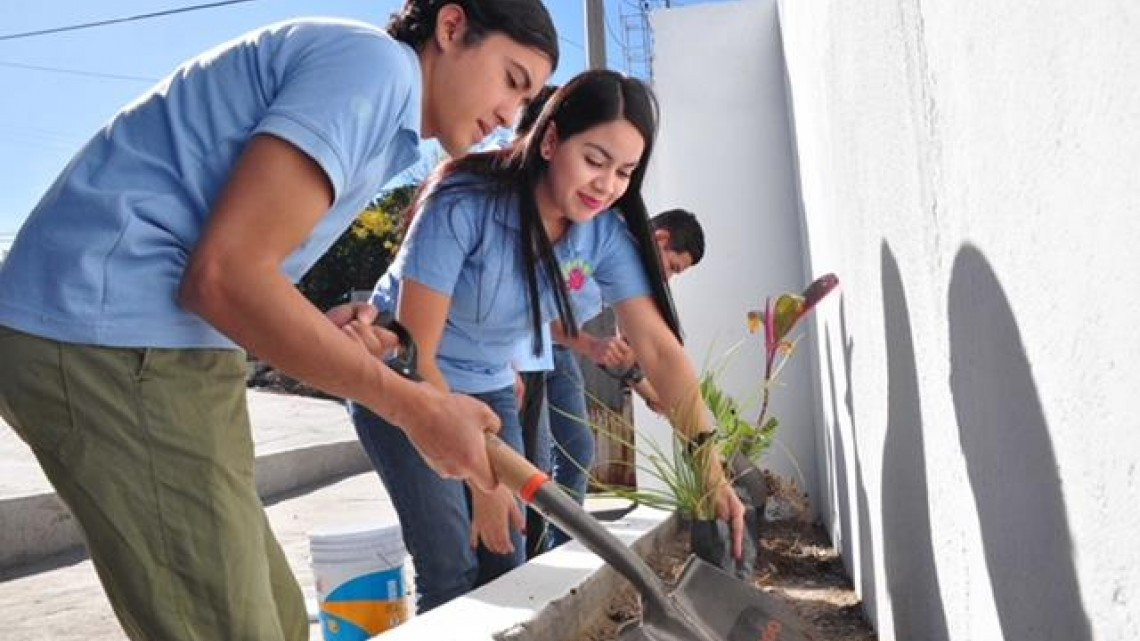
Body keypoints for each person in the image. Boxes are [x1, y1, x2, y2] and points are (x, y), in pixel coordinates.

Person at [0, 2, 557, 639]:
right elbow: (226, 278)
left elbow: (240, 274)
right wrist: (416, 409)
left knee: (283, 624)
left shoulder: (381, 103)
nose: (511, 116)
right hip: (107, 333)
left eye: (527, 99)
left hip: (154, 342)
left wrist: (320, 328)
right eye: (512, 80)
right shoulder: (375, 70)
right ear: (452, 28)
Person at [350, 69, 745, 612]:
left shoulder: (603, 234)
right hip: (406, 385)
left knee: (506, 559)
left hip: (487, 389)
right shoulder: (463, 200)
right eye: (595, 160)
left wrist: (710, 467)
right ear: (552, 139)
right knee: (451, 568)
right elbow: (419, 350)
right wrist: (485, 482)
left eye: (625, 171)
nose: (607, 185)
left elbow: (658, 349)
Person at [541, 207, 706, 549]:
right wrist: (591, 346)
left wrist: (649, 393)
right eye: (673, 267)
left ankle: (559, 544)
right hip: (525, 347)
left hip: (558, 350)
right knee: (535, 455)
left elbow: (622, 351)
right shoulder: (597, 242)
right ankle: (533, 550)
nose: (669, 279)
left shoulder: (628, 278)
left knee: (577, 447)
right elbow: (545, 316)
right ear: (660, 239)